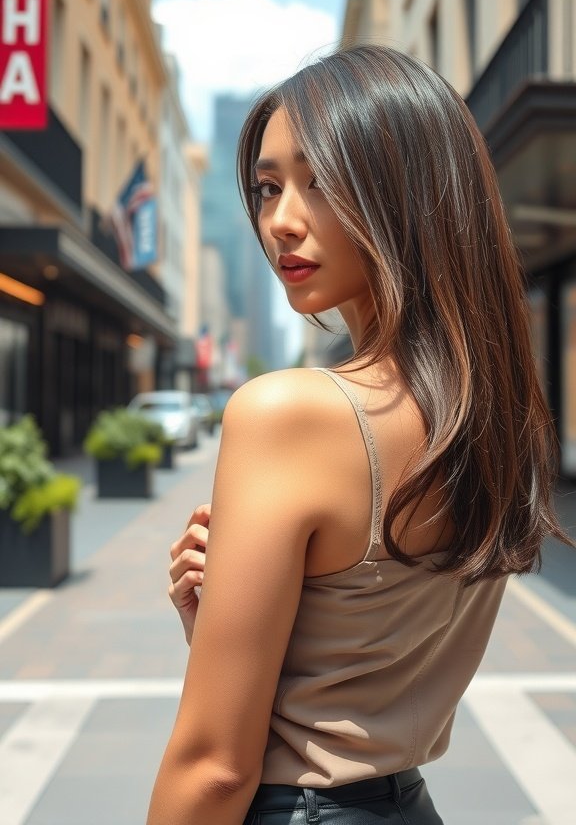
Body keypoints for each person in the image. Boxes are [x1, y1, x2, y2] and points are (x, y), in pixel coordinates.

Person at [146, 45, 571, 825]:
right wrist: (227, 632)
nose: (280, 219)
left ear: (406, 194)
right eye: (268, 187)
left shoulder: (290, 413)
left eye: (321, 180)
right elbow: (364, 666)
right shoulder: (491, 420)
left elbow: (213, 767)